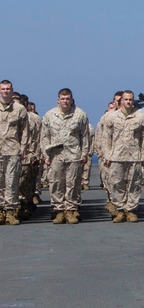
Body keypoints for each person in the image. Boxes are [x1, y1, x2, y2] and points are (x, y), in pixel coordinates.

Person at [41, 88, 90, 224]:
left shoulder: (80, 115)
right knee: (56, 182)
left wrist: (85, 153)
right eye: (63, 99)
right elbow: (44, 136)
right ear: (58, 100)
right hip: (56, 154)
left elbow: (85, 136)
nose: (65, 101)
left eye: (68, 98)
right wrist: (45, 154)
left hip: (74, 154)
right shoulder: (50, 115)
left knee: (73, 183)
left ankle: (70, 210)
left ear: (71, 99)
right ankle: (58, 210)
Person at [101, 90, 144, 222]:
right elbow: (106, 138)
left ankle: (130, 210)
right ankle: (120, 210)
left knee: (134, 184)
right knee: (117, 184)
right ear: (121, 101)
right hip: (116, 156)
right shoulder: (111, 117)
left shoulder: (141, 118)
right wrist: (107, 155)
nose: (128, 102)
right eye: (126, 99)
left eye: (130, 99)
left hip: (135, 156)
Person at [0, 80, 29, 225]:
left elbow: (25, 131)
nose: (5, 91)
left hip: (12, 150)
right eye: (3, 89)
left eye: (8, 89)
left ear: (12, 91)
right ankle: (0, 211)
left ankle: (11, 211)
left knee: (11, 182)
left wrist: (23, 148)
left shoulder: (19, 109)